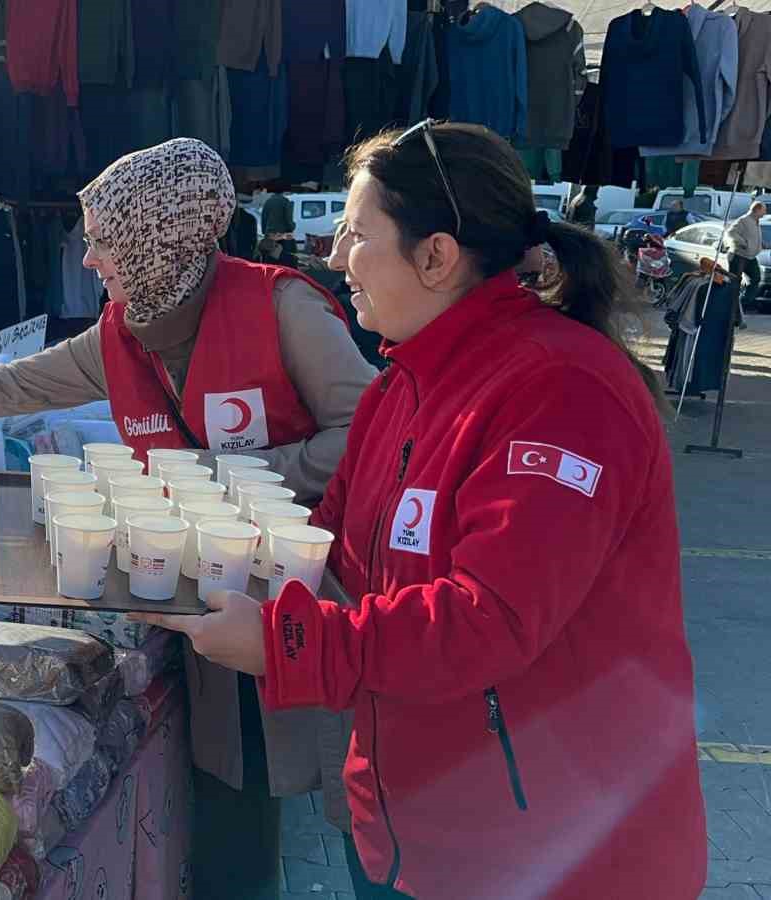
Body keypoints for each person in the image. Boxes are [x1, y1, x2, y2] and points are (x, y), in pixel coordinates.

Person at [138, 121, 706, 899]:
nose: (334, 258)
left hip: (553, 855)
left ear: (435, 256)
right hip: (415, 831)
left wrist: (284, 644)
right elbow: (330, 549)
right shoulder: (405, 382)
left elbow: (487, 619)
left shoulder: (561, 391)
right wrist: (182, 561)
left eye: (354, 234)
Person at [0, 138, 379, 899]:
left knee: (352, 808)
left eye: (103, 241)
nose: (89, 260)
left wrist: (228, 479)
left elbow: (371, 434)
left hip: (314, 604)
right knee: (236, 789)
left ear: (155, 238)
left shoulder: (283, 308)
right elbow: (1, 389)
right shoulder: (122, 335)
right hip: (199, 598)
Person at [726, 200, 765, 306]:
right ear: (757, 210)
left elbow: (752, 236)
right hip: (739, 256)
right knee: (735, 282)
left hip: (751, 257)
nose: (765, 213)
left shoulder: (756, 221)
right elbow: (730, 232)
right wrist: (743, 243)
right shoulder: (744, 220)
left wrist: (760, 245)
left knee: (756, 278)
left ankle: (744, 302)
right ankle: (731, 305)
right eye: (763, 210)